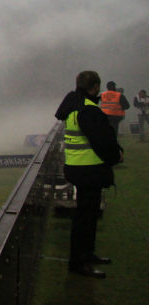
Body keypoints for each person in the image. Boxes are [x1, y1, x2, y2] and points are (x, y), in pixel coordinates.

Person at [54, 70, 123, 279]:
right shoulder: (89, 110)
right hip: (88, 170)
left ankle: (87, 254)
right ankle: (78, 262)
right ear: (94, 87)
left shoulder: (75, 104)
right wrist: (116, 156)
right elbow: (102, 141)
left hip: (79, 168)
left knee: (88, 215)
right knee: (84, 218)